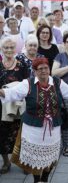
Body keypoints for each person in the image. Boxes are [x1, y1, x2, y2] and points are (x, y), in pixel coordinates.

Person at [0, 57, 68, 182]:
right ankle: (36, 179)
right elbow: (10, 93)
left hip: (53, 128)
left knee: (50, 157)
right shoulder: (27, 84)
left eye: (46, 68)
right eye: (40, 69)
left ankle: (45, 178)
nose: (44, 71)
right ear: (35, 71)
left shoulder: (57, 82)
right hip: (33, 130)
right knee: (36, 158)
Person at [0, 37, 29, 174]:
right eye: (6, 47)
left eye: (12, 47)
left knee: (21, 135)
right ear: (2, 49)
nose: (9, 50)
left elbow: (27, 84)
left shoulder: (21, 65)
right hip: (1, 106)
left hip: (18, 106)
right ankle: (6, 162)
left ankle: (23, 162)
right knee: (2, 135)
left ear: (15, 49)